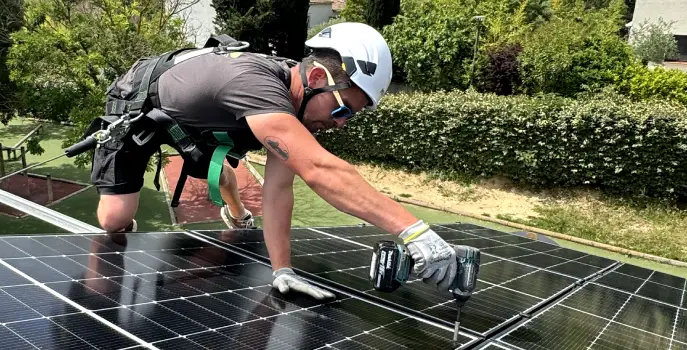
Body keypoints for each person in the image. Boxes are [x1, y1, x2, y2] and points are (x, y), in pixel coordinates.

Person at [87, 22, 474, 301]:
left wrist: (282, 270)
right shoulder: (253, 86)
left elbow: (279, 187)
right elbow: (320, 169)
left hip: (205, 123)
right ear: (319, 76)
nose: (340, 125)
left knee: (217, 163)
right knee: (115, 220)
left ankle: (233, 206)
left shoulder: (291, 97)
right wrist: (414, 231)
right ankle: (222, 198)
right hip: (141, 107)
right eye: (344, 112)